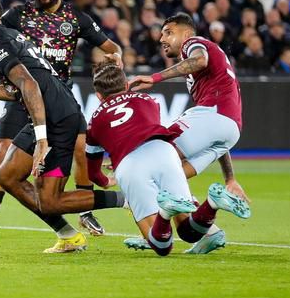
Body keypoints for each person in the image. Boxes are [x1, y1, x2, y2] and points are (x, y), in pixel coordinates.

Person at [0, 0, 126, 253]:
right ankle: (69, 236)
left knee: (51, 201)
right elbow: (17, 91)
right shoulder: (2, 39)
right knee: (7, 175)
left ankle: (126, 199)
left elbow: (29, 85)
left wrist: (42, 140)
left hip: (59, 119)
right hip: (50, 115)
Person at [86, 62, 250, 256]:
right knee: (188, 231)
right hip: (164, 152)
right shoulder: (148, 100)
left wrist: (108, 180)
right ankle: (212, 203)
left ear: (98, 96)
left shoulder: (93, 124)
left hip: (129, 165)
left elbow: (94, 174)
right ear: (126, 85)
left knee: (161, 246)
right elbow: (142, 127)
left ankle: (165, 213)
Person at [130, 13, 251, 225]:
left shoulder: (193, 43)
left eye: (168, 32)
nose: (162, 39)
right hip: (230, 129)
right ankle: (207, 224)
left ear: (185, 33)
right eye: (161, 34)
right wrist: (229, 178)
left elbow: (200, 60)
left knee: (156, 157)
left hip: (215, 114)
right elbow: (216, 132)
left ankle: (152, 230)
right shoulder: (197, 79)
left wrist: (155, 78)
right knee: (174, 174)